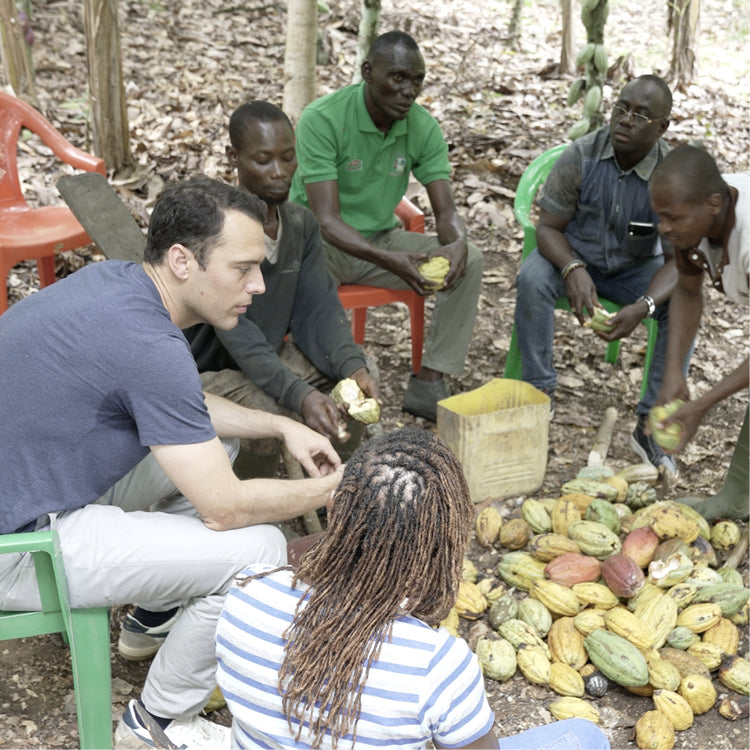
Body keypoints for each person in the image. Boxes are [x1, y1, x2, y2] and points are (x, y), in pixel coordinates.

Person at [0, 176, 343, 749]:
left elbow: (174, 399)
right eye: (242, 268)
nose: (257, 284)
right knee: (258, 551)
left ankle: (150, 619)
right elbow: (225, 509)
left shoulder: (116, 284)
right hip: (17, 548)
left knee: (221, 450)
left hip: (28, 489)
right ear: (183, 260)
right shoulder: (150, 344)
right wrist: (333, 490)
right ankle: (157, 723)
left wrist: (280, 424)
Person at [216, 428, 610, 750]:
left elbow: (302, 558)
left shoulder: (247, 593)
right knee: (586, 736)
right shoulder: (437, 664)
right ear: (446, 543)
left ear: (335, 506)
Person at [290, 30, 483, 423]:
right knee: (301, 284)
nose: (408, 91)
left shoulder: (422, 126)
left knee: (473, 260)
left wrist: (458, 242)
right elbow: (325, 220)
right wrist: (393, 260)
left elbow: (445, 212)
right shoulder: (322, 119)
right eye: (397, 77)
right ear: (367, 72)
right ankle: (321, 382)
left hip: (379, 239)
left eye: (416, 81)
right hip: (315, 242)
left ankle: (429, 381)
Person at [185, 101, 380, 478]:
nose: (279, 173)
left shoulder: (299, 224)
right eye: (263, 160)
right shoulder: (217, 229)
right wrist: (298, 394)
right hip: (211, 372)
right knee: (264, 415)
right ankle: (252, 492)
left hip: (268, 357)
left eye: (288, 158)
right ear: (234, 158)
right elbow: (236, 333)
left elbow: (317, 310)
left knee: (355, 380)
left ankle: (329, 479)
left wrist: (352, 366)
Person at [513, 74, 683, 481]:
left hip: (635, 271)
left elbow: (682, 263)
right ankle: (539, 395)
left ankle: (648, 428)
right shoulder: (581, 155)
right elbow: (549, 227)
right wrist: (572, 268)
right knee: (532, 277)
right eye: (621, 108)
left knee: (681, 303)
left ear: (662, 127)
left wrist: (644, 305)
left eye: (642, 115)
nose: (626, 120)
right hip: (573, 257)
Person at [649, 144, 749, 521]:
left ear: (712, 203)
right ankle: (737, 498)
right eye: (660, 217)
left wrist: (701, 405)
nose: (663, 228)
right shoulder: (692, 232)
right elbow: (688, 292)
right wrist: (674, 371)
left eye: (672, 217)